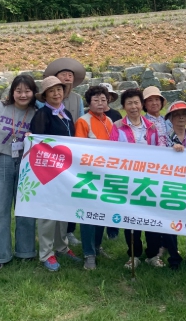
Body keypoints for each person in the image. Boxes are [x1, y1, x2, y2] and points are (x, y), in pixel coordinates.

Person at [0, 74, 38, 270]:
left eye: (27, 91)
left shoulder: (37, 113)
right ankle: (0, 255)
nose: (23, 95)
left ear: (33, 93)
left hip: (27, 162)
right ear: (12, 92)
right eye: (18, 91)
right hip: (2, 159)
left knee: (25, 208)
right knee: (0, 209)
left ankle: (26, 251)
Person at [110, 88, 164, 269]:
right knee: (131, 219)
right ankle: (134, 255)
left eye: (136, 103)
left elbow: (158, 153)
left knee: (151, 218)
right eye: (129, 103)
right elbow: (112, 153)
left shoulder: (151, 127)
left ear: (142, 104)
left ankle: (153, 255)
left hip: (149, 180)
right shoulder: (117, 126)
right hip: (127, 179)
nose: (133, 107)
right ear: (123, 106)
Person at [31, 76, 80, 272]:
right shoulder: (42, 115)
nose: (56, 93)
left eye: (59, 89)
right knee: (48, 213)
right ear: (45, 95)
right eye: (51, 91)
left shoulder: (65, 113)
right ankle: (46, 253)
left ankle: (61, 246)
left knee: (63, 209)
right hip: (48, 170)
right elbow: (38, 145)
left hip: (65, 170)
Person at [43, 57, 87, 246]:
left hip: (72, 152)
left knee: (71, 193)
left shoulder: (76, 100)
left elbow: (80, 121)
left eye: (70, 75)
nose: (68, 77)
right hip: (52, 156)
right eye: (64, 74)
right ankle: (50, 238)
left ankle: (68, 232)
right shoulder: (45, 105)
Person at [75, 85, 116, 270]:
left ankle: (97, 246)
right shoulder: (83, 121)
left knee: (102, 212)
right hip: (89, 174)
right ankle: (88, 253)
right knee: (88, 214)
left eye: (103, 100)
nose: (100, 103)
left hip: (107, 174)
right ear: (89, 102)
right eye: (96, 100)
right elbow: (79, 150)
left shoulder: (110, 121)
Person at [159, 101, 186, 271]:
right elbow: (160, 160)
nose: (181, 118)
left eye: (184, 115)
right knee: (171, 222)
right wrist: (172, 151)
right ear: (170, 119)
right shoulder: (164, 138)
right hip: (170, 185)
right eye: (177, 115)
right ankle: (174, 259)